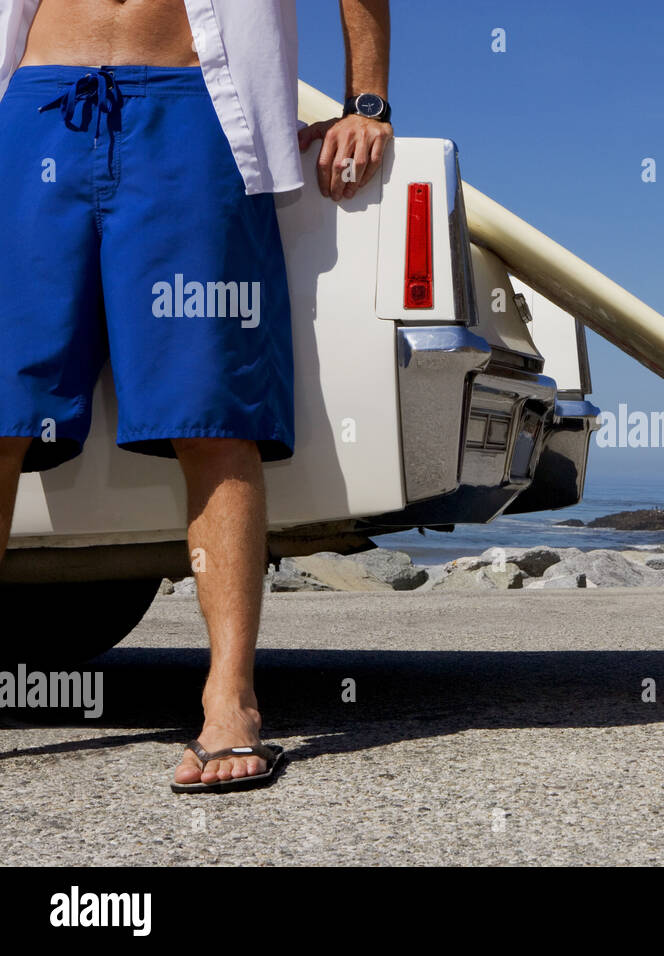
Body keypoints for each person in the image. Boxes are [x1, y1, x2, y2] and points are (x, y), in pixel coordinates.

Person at [0, 0, 393, 792]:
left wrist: (367, 103)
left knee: (212, 411)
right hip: (30, 106)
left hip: (197, 108)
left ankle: (231, 702)